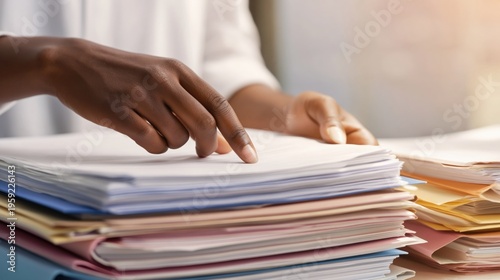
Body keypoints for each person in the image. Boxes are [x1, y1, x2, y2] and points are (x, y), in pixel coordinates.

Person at [0, 0, 377, 163]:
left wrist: (285, 114)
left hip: (160, 215)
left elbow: (222, 73)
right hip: (15, 212)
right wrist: (47, 63)